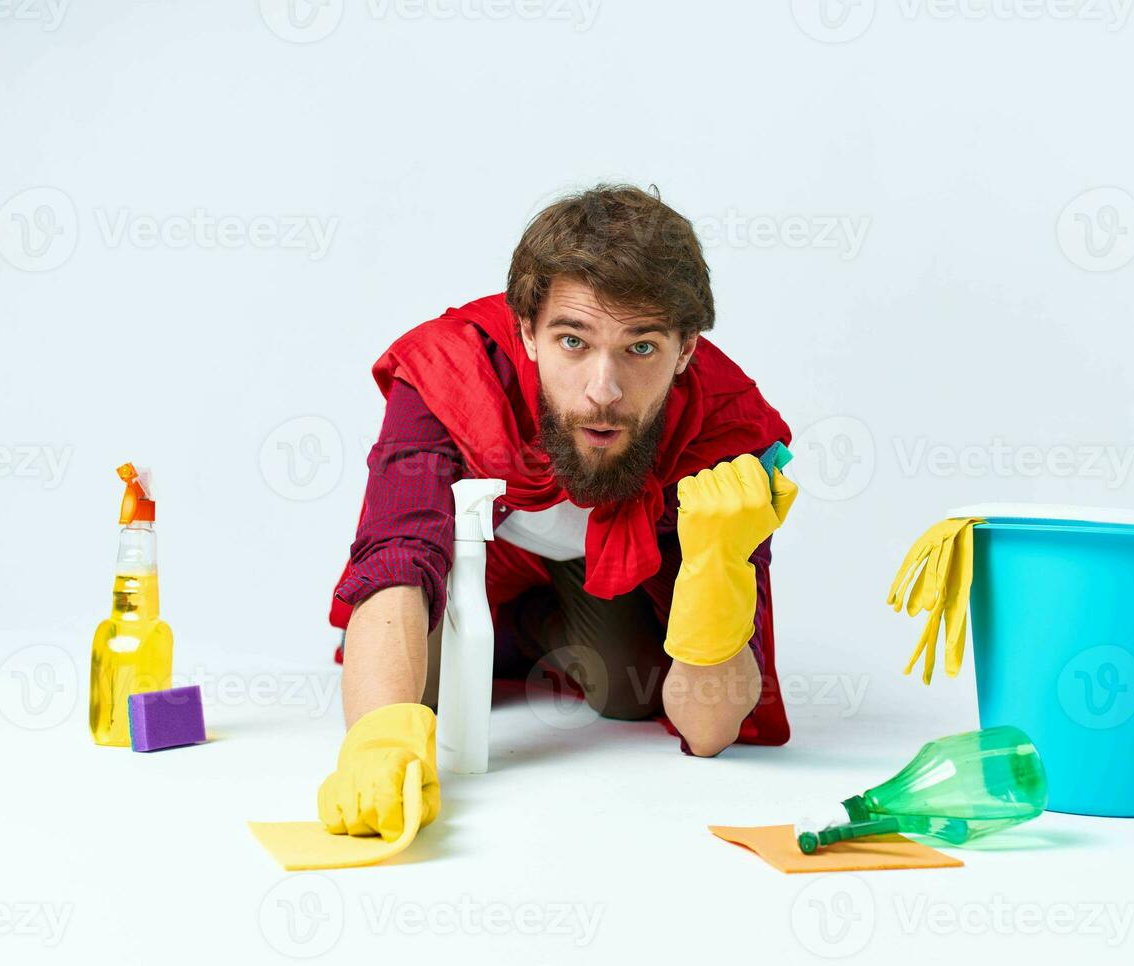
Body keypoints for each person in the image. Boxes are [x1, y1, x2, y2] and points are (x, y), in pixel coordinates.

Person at [316, 184, 798, 843]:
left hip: (600, 576)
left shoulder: (725, 426)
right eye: (574, 342)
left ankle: (538, 631)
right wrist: (373, 742)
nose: (604, 392)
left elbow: (710, 734)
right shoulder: (451, 367)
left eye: (642, 348)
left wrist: (719, 564)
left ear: (687, 351)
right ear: (528, 333)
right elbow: (394, 551)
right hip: (471, 564)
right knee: (412, 695)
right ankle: (488, 641)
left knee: (633, 692)